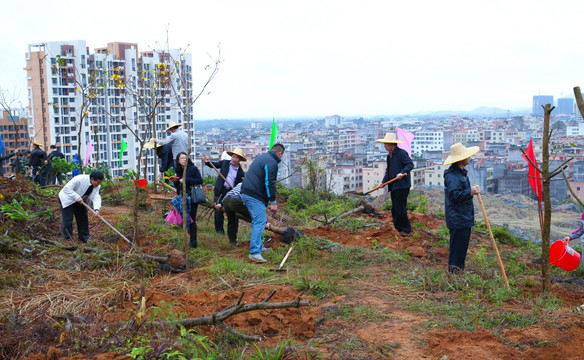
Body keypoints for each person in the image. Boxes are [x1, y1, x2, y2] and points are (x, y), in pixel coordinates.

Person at [240, 143, 285, 263]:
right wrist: (273, 202)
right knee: (259, 221)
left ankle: (259, 246)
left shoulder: (262, 157)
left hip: (248, 192)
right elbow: (269, 182)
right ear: (280, 153)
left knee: (259, 220)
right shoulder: (272, 162)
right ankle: (254, 252)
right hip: (253, 195)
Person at [443, 143, 481, 273]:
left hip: (463, 217)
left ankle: (459, 271)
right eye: (467, 156)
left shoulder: (460, 174)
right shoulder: (453, 176)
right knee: (457, 248)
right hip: (458, 218)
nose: (469, 157)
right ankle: (454, 273)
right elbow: (454, 195)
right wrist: (470, 192)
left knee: (462, 247)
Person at [375, 133, 414, 236]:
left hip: (402, 185)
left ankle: (406, 229)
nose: (384, 146)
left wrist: (402, 172)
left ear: (392, 144)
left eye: (386, 144)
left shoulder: (401, 153)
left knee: (400, 207)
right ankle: (397, 227)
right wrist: (383, 182)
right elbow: (389, 170)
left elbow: (410, 164)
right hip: (394, 186)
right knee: (395, 208)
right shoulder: (390, 156)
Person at [203, 148, 246, 235]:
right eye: (233, 157)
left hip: (230, 192)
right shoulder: (225, 163)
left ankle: (233, 232)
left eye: (237, 158)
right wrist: (207, 162)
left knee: (232, 212)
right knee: (218, 210)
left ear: (240, 160)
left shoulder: (240, 172)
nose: (234, 159)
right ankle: (219, 231)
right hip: (220, 190)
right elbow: (213, 165)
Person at [58, 171, 104, 243]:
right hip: (67, 199)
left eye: (100, 182)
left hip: (80, 201)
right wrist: (77, 197)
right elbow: (66, 189)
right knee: (68, 219)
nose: (98, 184)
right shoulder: (79, 179)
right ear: (92, 179)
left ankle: (84, 237)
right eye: (98, 182)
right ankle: (67, 238)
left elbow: (96, 197)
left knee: (83, 217)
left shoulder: (96, 187)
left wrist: (96, 209)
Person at [170, 152, 203, 248]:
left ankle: (193, 241)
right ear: (178, 161)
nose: (184, 159)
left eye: (185, 157)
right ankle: (189, 239)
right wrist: (176, 181)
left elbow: (199, 180)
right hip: (183, 197)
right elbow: (178, 187)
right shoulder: (179, 171)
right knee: (185, 218)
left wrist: (185, 180)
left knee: (192, 219)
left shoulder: (193, 169)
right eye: (181, 158)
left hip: (192, 198)